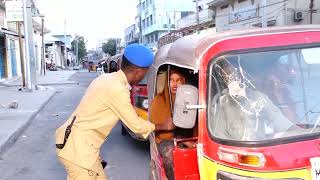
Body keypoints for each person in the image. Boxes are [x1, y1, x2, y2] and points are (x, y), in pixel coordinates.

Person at [55, 44, 155, 180]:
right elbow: (136, 126)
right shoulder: (117, 88)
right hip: (78, 151)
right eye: (146, 71)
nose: (145, 75)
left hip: (82, 147)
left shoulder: (107, 78)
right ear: (138, 71)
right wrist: (160, 126)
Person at [149, 67, 197, 180]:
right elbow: (151, 127)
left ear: (184, 82)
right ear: (167, 82)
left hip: (187, 137)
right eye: (171, 80)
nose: (174, 84)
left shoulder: (191, 99)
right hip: (165, 140)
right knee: (170, 153)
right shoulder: (159, 100)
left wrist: (193, 140)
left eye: (178, 80)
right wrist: (166, 126)